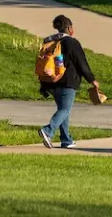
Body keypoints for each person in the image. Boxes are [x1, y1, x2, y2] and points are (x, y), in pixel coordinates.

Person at [38, 14, 99, 149]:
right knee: (65, 109)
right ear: (70, 28)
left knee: (63, 110)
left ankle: (66, 140)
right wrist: (92, 79)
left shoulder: (50, 42)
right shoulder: (71, 42)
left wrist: (43, 84)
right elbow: (81, 63)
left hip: (51, 82)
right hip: (67, 82)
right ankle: (47, 131)